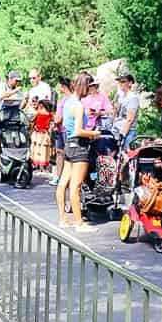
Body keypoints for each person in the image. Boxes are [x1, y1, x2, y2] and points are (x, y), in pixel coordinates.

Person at [55, 72, 98, 228]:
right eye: (90, 87)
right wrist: (94, 133)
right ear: (84, 86)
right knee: (75, 186)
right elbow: (79, 130)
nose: (91, 90)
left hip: (68, 145)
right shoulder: (79, 106)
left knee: (63, 183)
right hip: (79, 146)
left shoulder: (67, 102)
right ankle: (79, 223)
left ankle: (63, 218)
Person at [114, 70, 142, 149]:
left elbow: (130, 119)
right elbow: (115, 113)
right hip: (117, 130)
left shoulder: (133, 98)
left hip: (128, 132)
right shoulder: (121, 96)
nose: (120, 84)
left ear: (130, 83)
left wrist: (123, 135)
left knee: (126, 156)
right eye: (119, 81)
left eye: (123, 81)